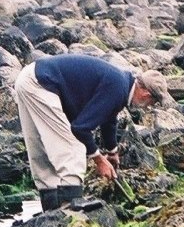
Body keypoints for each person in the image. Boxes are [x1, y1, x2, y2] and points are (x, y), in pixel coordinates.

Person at [13, 54, 172, 210]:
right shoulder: (118, 88)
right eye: (153, 101)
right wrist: (98, 159)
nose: (149, 106)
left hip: (29, 78)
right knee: (72, 146)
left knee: (40, 147)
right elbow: (80, 128)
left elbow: (109, 119)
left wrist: (112, 151)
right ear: (146, 94)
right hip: (42, 84)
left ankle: (51, 208)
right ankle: (72, 205)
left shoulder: (121, 83)